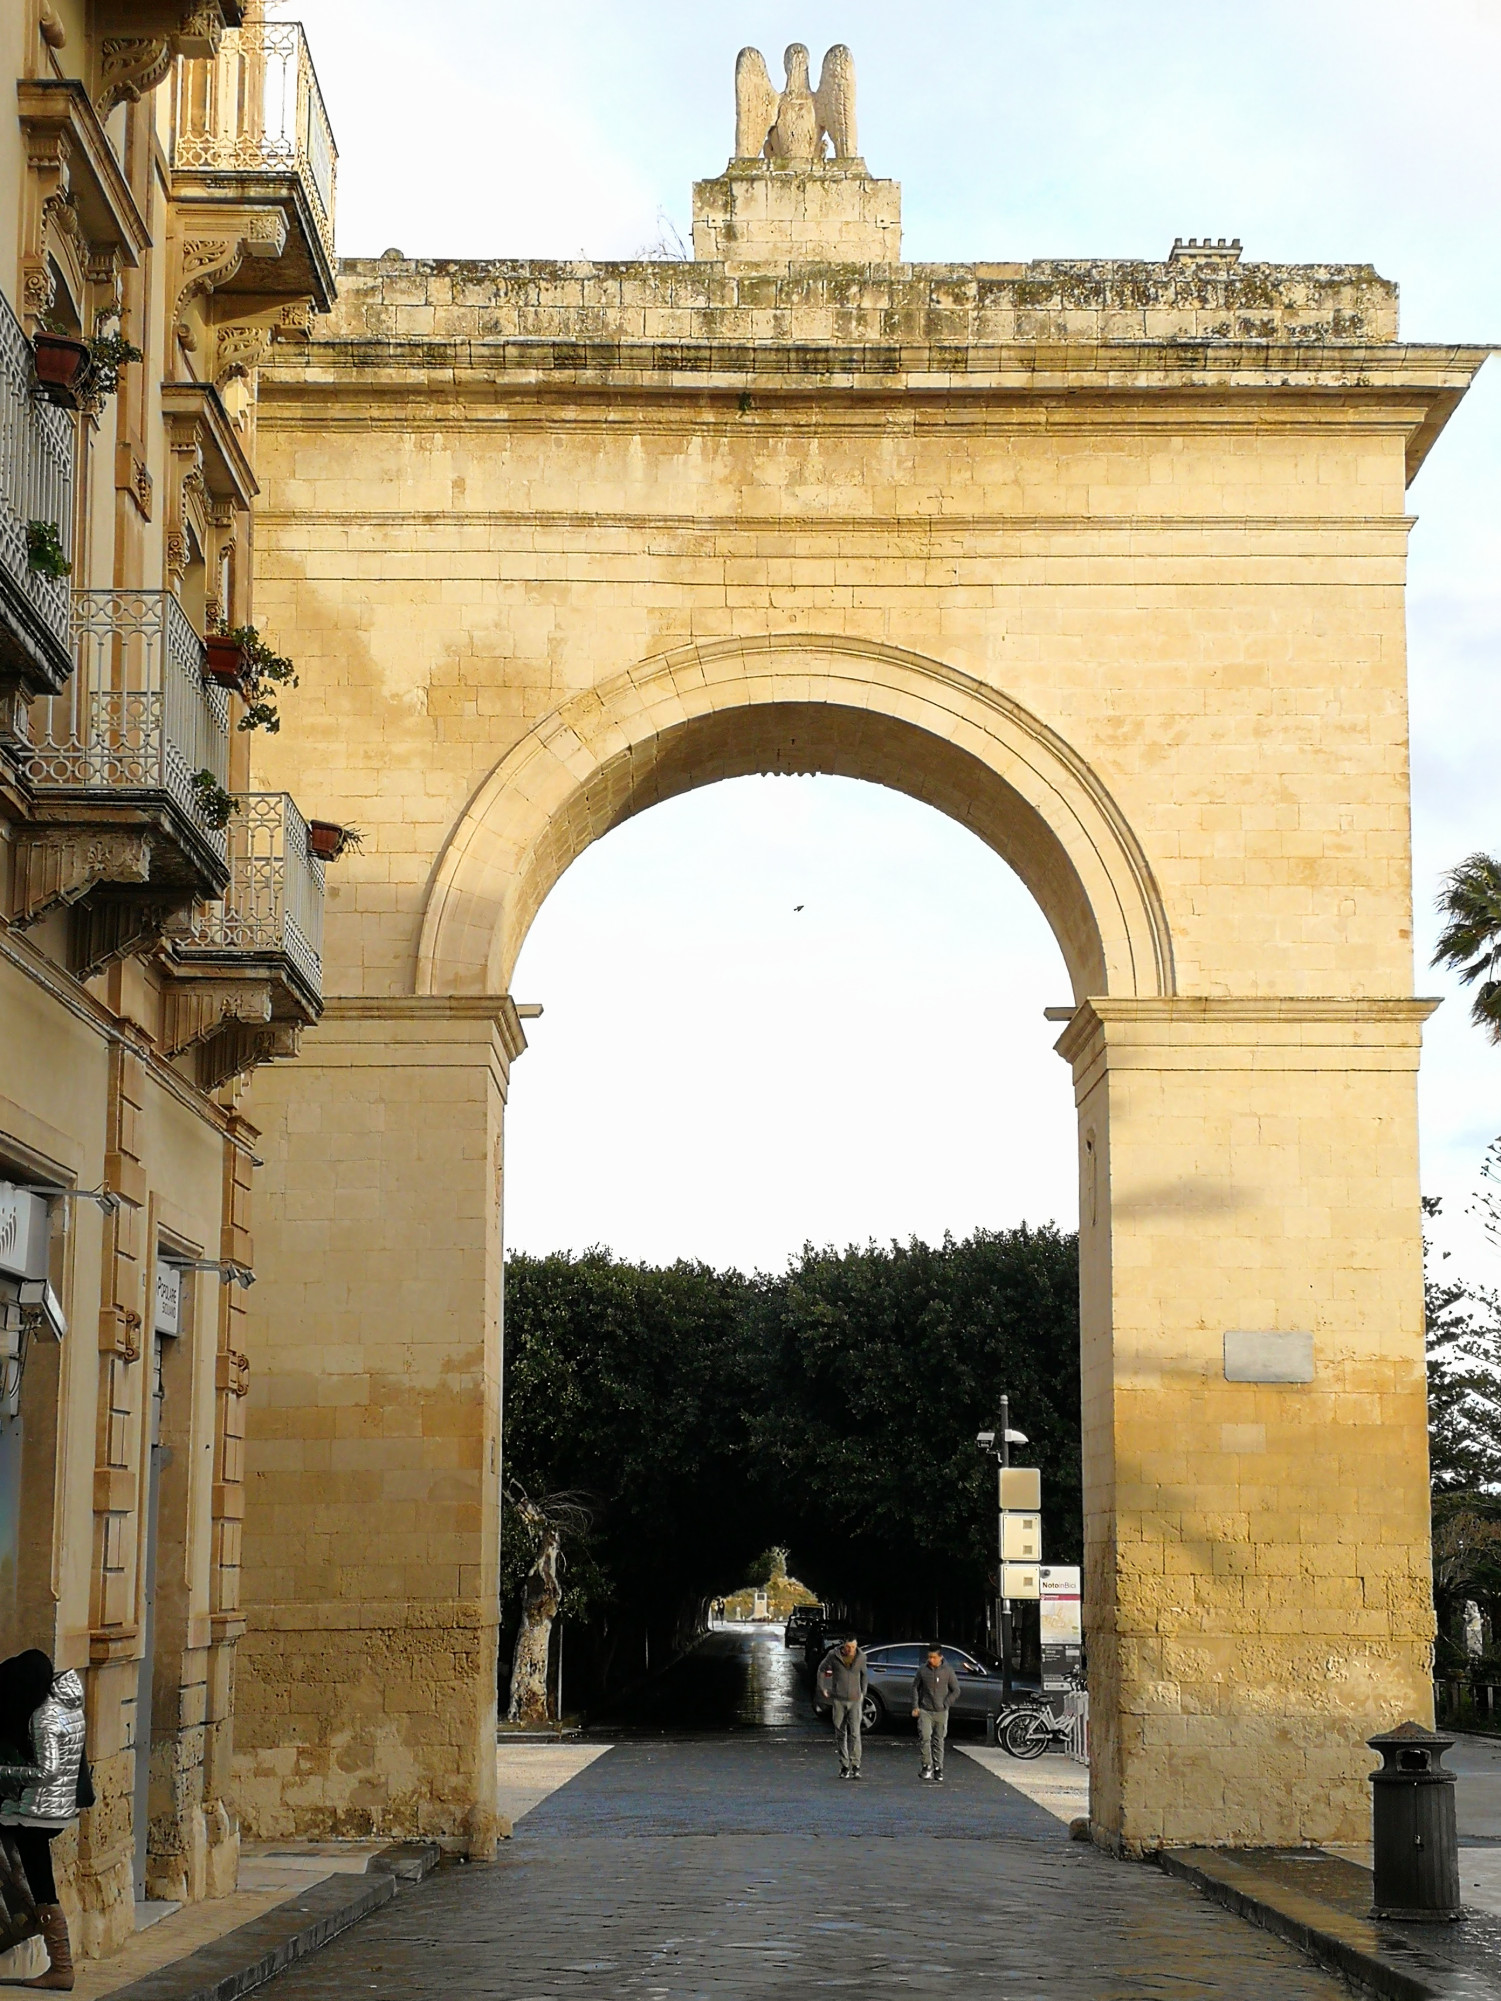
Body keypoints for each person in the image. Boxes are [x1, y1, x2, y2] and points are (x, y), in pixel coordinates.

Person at [0, 1650, 87, 1991]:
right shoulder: (66, 1705)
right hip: (52, 1809)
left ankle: (61, 1966)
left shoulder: (44, 1716)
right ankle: (60, 1965)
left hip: (38, 1811)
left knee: (41, 1884)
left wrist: (3, 1772)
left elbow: (46, 1770)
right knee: (41, 1881)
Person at [816, 1636, 868, 1780]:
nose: (851, 1650)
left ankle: (856, 1765)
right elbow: (821, 1669)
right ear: (843, 1646)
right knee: (840, 1732)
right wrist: (823, 1688)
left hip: (855, 1700)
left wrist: (863, 1693)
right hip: (839, 1700)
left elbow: (864, 1675)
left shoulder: (861, 1657)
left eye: (853, 1647)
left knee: (855, 1733)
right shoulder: (834, 1655)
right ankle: (845, 1765)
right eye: (848, 1647)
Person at [911, 1641, 959, 1783]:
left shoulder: (947, 1671)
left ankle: (938, 1768)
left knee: (939, 1740)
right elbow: (915, 1687)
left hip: (941, 1711)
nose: (931, 1660)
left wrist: (946, 1703)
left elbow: (956, 1690)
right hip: (925, 1709)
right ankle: (927, 1766)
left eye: (933, 1657)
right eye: (929, 1657)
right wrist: (915, 1705)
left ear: (940, 1657)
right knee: (925, 1737)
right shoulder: (922, 1670)